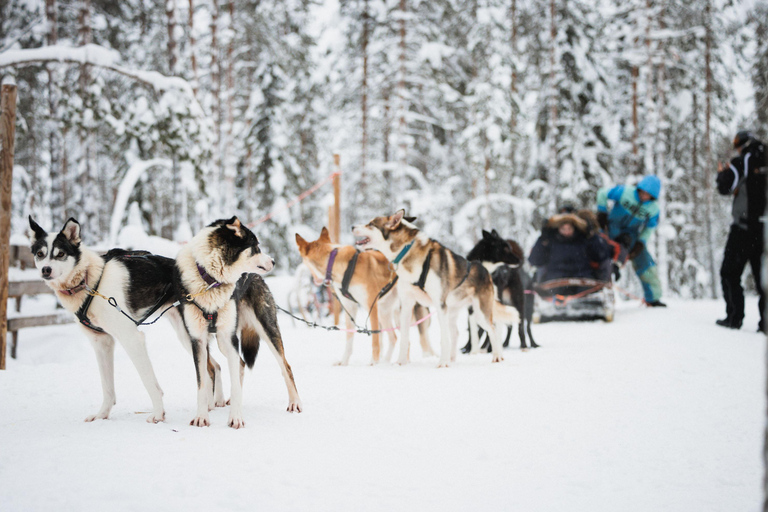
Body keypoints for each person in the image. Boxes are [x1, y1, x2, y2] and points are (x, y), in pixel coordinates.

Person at [715, 130, 767, 331]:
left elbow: (725, 187)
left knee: (729, 272)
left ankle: (734, 318)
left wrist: (722, 175)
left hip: (744, 228)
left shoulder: (743, 160)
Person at [596, 175, 666, 307]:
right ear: (638, 189)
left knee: (647, 264)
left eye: (648, 195)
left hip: (630, 238)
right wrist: (602, 213)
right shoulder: (624, 192)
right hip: (609, 231)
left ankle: (653, 298)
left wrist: (641, 242)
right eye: (642, 192)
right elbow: (602, 194)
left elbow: (649, 228)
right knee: (596, 257)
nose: (644, 196)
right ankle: (589, 292)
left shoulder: (653, 209)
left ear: (653, 197)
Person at [529, 212, 611, 285]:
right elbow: (534, 260)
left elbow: (601, 255)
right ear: (558, 229)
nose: (566, 232)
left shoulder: (583, 239)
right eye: (563, 229)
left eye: (569, 229)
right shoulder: (550, 241)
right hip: (555, 280)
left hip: (582, 279)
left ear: (574, 228)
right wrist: (542, 240)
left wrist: (592, 237)